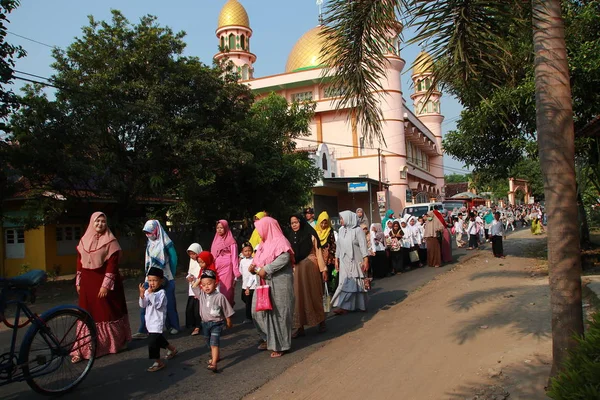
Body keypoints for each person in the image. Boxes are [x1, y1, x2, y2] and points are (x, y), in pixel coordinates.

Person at [73, 212, 131, 362]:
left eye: (103, 222)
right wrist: (78, 281)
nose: (100, 224)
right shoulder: (83, 240)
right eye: (97, 221)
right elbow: (79, 262)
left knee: (106, 313)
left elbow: (112, 266)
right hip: (87, 284)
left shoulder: (111, 242)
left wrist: (105, 286)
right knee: (86, 313)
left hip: (105, 285)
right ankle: (83, 349)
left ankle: (112, 344)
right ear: (92, 222)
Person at [248, 217, 295, 358]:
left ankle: (281, 345)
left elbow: (284, 257)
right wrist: (253, 266)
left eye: (260, 229)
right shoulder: (263, 244)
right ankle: (268, 338)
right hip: (263, 283)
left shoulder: (281, 241)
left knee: (279, 313)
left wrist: (267, 268)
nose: (259, 232)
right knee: (258, 312)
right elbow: (258, 260)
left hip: (279, 283)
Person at [133, 220, 180, 339]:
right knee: (146, 301)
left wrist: (171, 274)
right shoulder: (150, 243)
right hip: (150, 276)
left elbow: (173, 258)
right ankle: (144, 330)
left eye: (150, 232)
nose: (149, 235)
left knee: (169, 302)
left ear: (157, 230)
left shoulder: (166, 242)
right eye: (146, 233)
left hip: (166, 276)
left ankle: (173, 326)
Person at [287, 214, 328, 338]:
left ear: (301, 222)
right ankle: (300, 327)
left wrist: (323, 269)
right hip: (296, 270)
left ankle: (321, 322)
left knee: (314, 294)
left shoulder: (310, 234)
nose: (294, 225)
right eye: (292, 223)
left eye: (296, 222)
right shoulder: (289, 237)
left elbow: (318, 252)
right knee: (298, 298)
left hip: (311, 268)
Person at [193, 269, 234, 373]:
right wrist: (200, 279)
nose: (206, 286)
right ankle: (216, 356)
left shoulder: (220, 297)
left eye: (209, 284)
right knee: (208, 342)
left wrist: (228, 320)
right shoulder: (201, 295)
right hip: (205, 324)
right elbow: (194, 287)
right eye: (204, 284)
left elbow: (226, 309)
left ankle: (214, 363)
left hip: (217, 323)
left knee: (214, 343)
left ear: (215, 284)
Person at [139, 267, 178, 372]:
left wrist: (151, 294)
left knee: (152, 342)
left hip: (157, 322)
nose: (152, 283)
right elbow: (143, 305)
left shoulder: (162, 293)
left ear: (161, 281)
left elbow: (157, 305)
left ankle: (158, 362)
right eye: (150, 280)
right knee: (158, 339)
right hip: (150, 322)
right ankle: (172, 349)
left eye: (155, 280)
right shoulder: (148, 291)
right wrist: (142, 295)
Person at [331, 210, 369, 314]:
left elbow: (363, 245)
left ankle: (360, 306)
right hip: (344, 262)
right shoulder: (341, 230)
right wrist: (336, 259)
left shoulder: (358, 230)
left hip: (356, 260)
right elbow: (339, 245)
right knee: (345, 283)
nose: (341, 220)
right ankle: (344, 307)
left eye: (342, 218)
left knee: (357, 282)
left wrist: (366, 259)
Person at [211, 220, 241, 306]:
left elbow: (234, 257)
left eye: (221, 228)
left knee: (227, 290)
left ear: (226, 228)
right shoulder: (215, 240)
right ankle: (220, 308)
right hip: (217, 267)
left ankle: (228, 307)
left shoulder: (231, 241)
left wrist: (236, 271)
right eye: (217, 228)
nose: (219, 230)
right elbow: (212, 255)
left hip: (227, 268)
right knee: (217, 288)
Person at [314, 211, 337, 293]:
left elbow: (333, 245)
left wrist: (333, 258)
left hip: (328, 259)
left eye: (325, 223)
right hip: (318, 259)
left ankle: (329, 295)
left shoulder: (330, 231)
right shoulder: (315, 232)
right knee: (318, 279)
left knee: (328, 277)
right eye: (322, 223)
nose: (323, 225)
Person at [185, 243, 203, 336]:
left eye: (194, 254)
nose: (192, 256)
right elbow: (189, 272)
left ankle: (198, 326)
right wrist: (189, 277)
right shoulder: (191, 261)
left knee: (197, 309)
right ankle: (192, 325)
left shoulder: (202, 261)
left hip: (199, 288)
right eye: (190, 254)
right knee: (190, 309)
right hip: (192, 288)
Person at [239, 242, 257, 323]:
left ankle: (249, 317)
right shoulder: (242, 261)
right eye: (245, 251)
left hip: (252, 285)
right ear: (242, 252)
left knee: (249, 302)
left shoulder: (254, 260)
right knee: (243, 298)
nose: (247, 252)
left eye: (249, 250)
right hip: (244, 284)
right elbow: (241, 271)